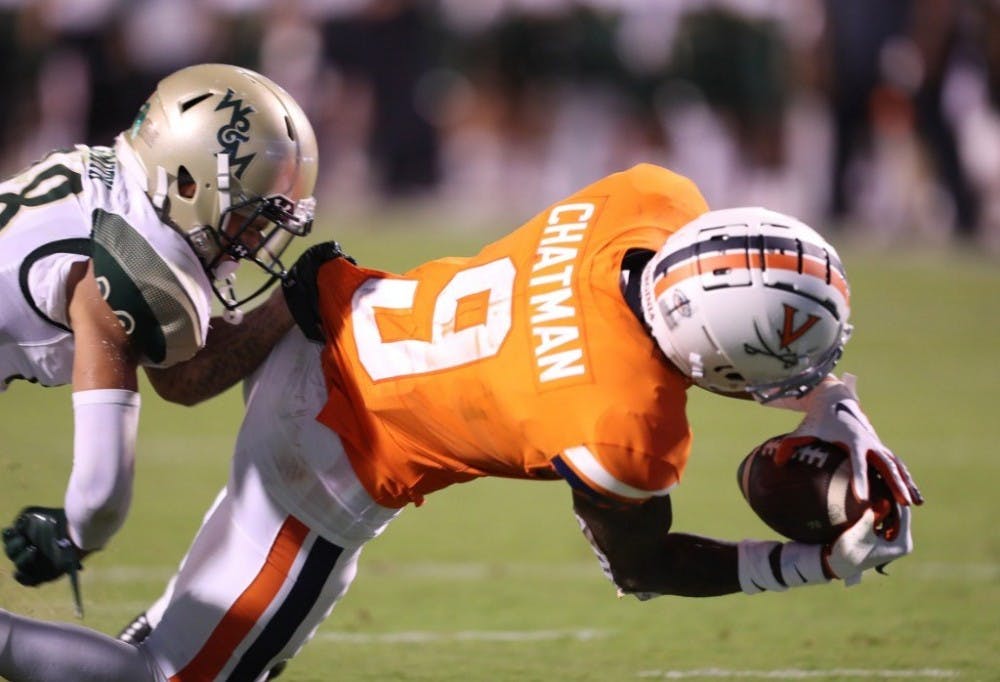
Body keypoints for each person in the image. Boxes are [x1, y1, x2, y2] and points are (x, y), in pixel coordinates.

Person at [0, 163, 922, 681]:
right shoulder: (619, 427)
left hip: (328, 317)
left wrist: (826, 396)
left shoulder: (650, 199)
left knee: (187, 649)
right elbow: (643, 569)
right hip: (324, 456)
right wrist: (806, 562)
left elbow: (707, 300)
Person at [0, 62, 319, 612]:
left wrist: (283, 309)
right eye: (250, 214)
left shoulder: (114, 182)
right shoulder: (130, 267)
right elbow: (101, 494)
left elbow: (177, 371)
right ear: (188, 182)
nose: (260, 237)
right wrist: (73, 534)